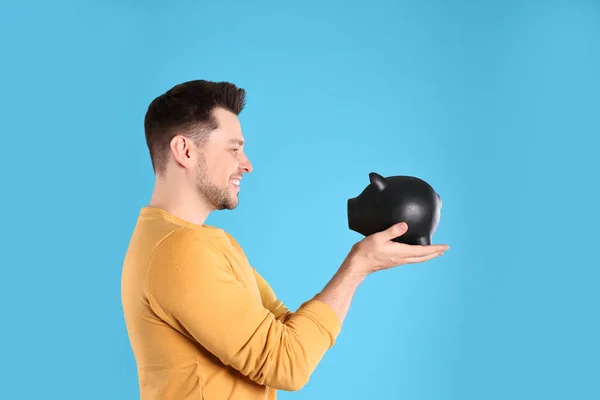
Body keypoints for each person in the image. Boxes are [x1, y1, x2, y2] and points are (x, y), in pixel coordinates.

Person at [120, 80, 449, 400]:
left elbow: (287, 334)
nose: (246, 165)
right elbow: (286, 363)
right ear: (185, 150)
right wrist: (358, 266)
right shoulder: (179, 251)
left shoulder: (202, 242)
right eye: (234, 149)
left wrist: (362, 263)